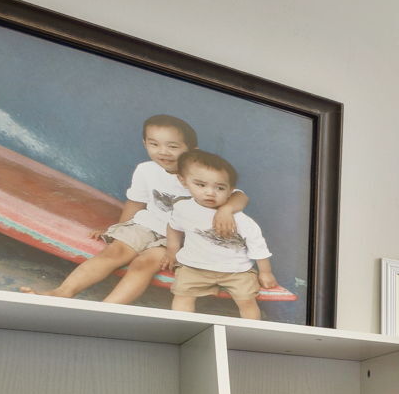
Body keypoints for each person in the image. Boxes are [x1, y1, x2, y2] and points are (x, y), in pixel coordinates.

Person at [26, 114, 243, 304]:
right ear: (145, 143)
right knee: (114, 252)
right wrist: (117, 228)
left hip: (177, 237)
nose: (163, 152)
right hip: (146, 225)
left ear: (191, 150)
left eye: (173, 146)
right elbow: (135, 202)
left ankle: (106, 310)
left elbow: (239, 196)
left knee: (144, 264)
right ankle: (62, 292)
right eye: (154, 144)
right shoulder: (145, 170)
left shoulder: (202, 174)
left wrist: (226, 210)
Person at [166, 150, 276, 318]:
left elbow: (258, 247)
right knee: (182, 295)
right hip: (193, 267)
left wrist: (265, 272)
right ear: (184, 181)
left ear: (231, 190)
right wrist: (172, 249)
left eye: (220, 188)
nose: (210, 192)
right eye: (201, 185)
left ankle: (253, 331)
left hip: (237, 271)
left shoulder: (241, 220)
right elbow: (174, 226)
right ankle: (180, 326)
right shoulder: (183, 208)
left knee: (247, 301)